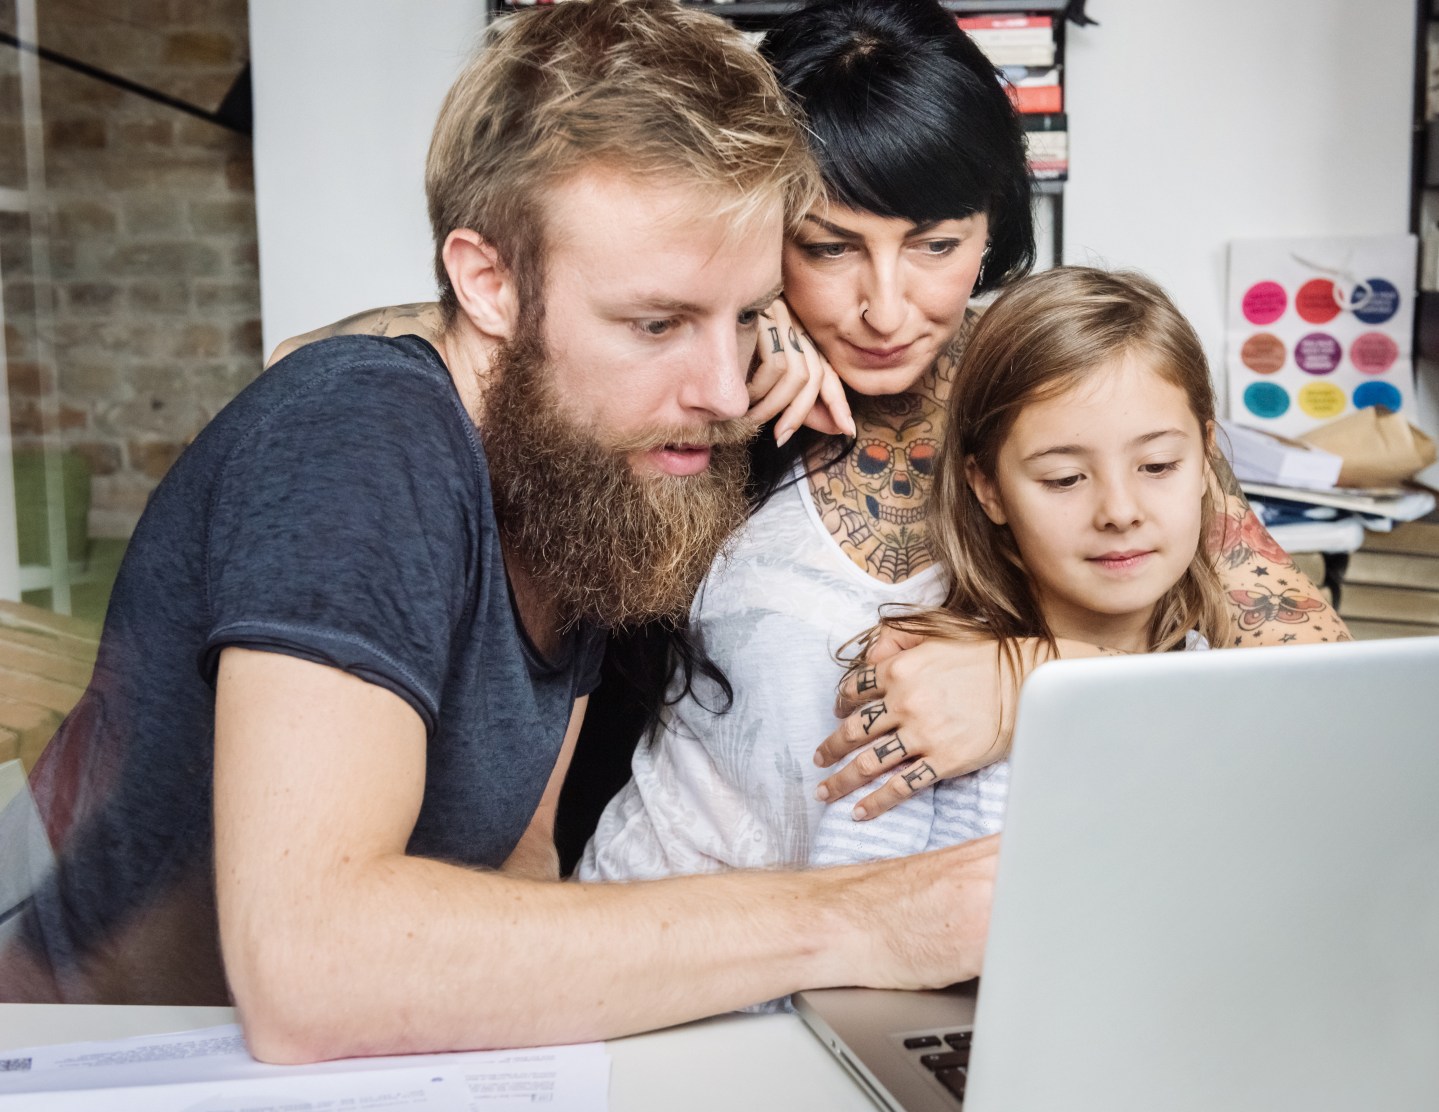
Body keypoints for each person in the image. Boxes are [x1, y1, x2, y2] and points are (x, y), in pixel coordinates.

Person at [0, 0, 1004, 1060]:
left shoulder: (579, 468)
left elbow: (515, 862)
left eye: (749, 316)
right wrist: (864, 915)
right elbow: (311, 968)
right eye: (656, 321)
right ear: (487, 280)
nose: (723, 390)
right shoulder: (364, 432)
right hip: (77, 1054)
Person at [575, 0, 1349, 885]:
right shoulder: (692, 381)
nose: (888, 309)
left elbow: (1316, 691)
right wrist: (730, 328)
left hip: (908, 967)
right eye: (828, 249)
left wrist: (1035, 681)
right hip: (661, 924)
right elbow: (415, 350)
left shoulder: (1065, 388)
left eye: (936, 244)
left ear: (990, 226)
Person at [811, 265, 1232, 866]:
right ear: (988, 488)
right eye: (1064, 478)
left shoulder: (1225, 694)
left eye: (1159, 465)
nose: (1119, 511)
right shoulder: (930, 695)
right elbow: (851, 928)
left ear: (1204, 458)